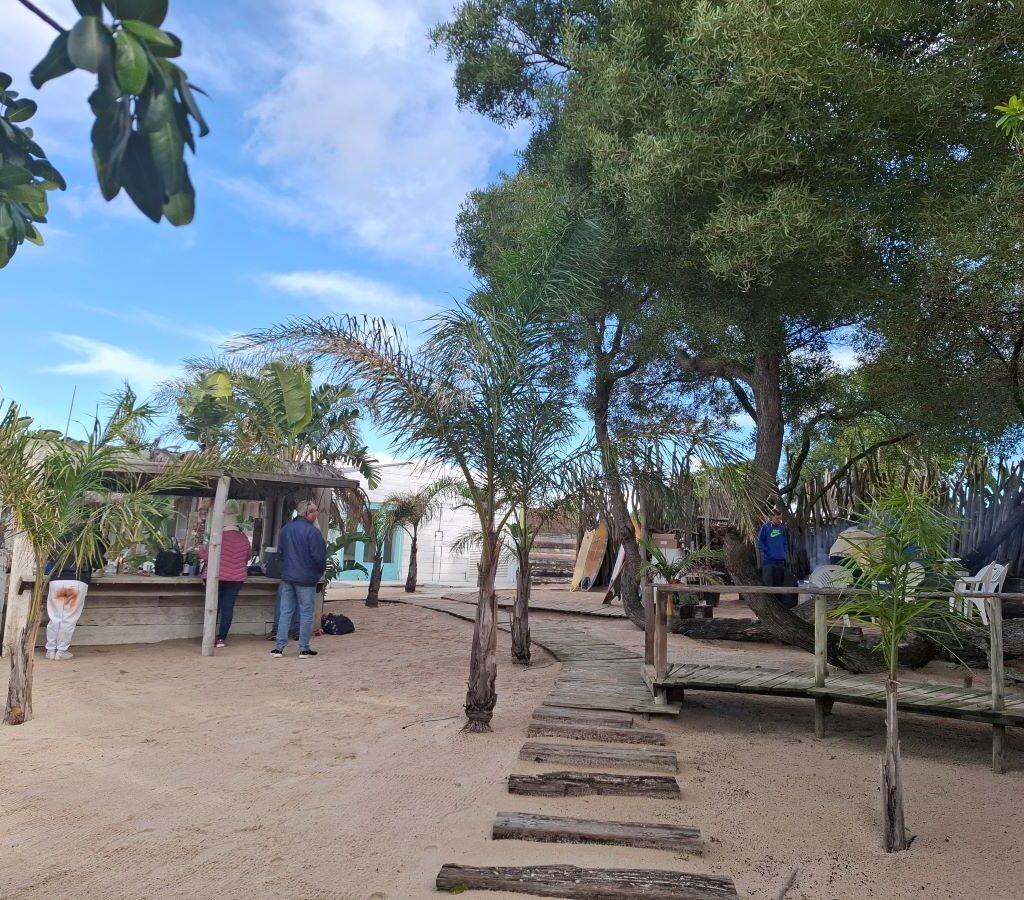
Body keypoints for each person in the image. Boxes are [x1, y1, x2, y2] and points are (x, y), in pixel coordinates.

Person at [272, 499, 326, 659]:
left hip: (288, 576)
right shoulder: (313, 532)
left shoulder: (286, 529)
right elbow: (319, 557)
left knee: (285, 612)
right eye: (314, 511)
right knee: (306, 612)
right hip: (306, 579)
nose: (317, 514)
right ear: (306, 513)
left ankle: (279, 648)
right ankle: (303, 648)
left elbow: (280, 554)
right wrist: (318, 571)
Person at [196, 501, 252, 649]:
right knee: (228, 609)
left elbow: (208, 556)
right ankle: (221, 639)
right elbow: (247, 557)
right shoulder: (243, 538)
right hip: (236, 580)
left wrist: (198, 551)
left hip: (217, 578)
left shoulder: (218, 537)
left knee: (213, 607)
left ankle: (209, 636)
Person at [44, 533, 102, 660]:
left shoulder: (59, 537)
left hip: (57, 581)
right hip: (76, 581)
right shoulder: (88, 537)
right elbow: (98, 563)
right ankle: (61, 651)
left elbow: (49, 558)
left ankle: (50, 650)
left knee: (55, 617)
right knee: (68, 618)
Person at [757, 508, 789, 587]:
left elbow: (785, 542)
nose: (779, 520)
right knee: (768, 584)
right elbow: (760, 543)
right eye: (777, 518)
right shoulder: (765, 527)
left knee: (779, 584)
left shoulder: (782, 529)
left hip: (780, 561)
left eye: (780, 518)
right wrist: (768, 551)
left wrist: (784, 553)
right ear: (771, 517)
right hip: (769, 561)